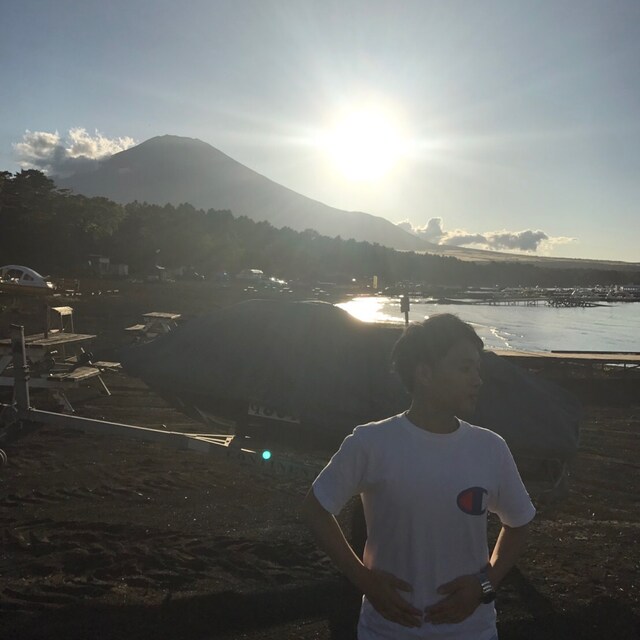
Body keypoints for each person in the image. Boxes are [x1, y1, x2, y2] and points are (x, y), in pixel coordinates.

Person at [302, 314, 535, 639]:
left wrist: (485, 584)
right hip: (387, 631)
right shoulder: (371, 443)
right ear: (424, 373)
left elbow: (519, 522)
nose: (478, 380)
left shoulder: (490, 448)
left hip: (472, 631)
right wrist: (365, 581)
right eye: (465, 368)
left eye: (477, 369)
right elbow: (316, 509)